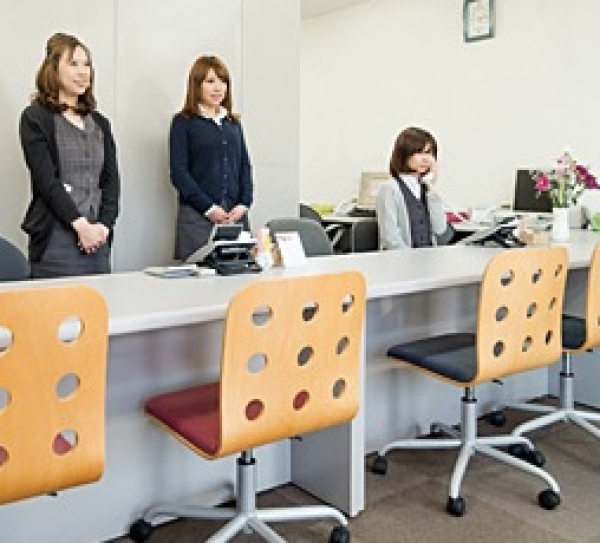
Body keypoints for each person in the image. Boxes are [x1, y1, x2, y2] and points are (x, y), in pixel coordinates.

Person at [19, 32, 120, 279]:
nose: (83, 72)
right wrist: (81, 226)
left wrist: (103, 227)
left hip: (98, 241)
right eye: (73, 64)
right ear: (53, 69)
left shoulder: (101, 123)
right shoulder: (35, 118)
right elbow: (47, 181)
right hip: (55, 242)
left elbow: (111, 181)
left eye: (87, 65)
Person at [169, 55, 253, 261]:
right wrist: (209, 208)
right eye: (210, 81)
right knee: (199, 275)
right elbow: (179, 173)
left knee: (239, 272)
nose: (218, 88)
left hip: (235, 216)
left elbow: (244, 166)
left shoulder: (233, 124)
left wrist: (244, 204)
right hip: (198, 218)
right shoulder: (183, 122)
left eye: (223, 82)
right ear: (196, 85)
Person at [376, 126, 449, 250]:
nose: (425, 159)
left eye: (429, 153)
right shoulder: (389, 189)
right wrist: (410, 258)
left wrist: (432, 188)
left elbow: (440, 229)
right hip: (401, 259)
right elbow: (390, 238)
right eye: (419, 152)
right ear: (404, 154)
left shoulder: (425, 188)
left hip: (429, 257)